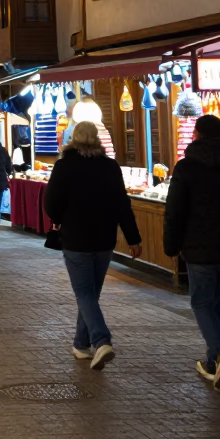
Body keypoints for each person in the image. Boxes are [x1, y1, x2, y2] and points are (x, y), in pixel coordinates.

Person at [44, 121, 142, 371]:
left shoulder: (64, 166)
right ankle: (80, 343)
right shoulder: (110, 167)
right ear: (96, 139)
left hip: (76, 239)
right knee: (91, 294)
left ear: (73, 139)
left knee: (85, 294)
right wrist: (133, 238)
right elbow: (123, 204)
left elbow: (51, 203)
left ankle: (101, 340)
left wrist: (59, 219)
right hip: (104, 239)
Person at [164, 113, 220, 387]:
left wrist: (171, 244)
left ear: (198, 134)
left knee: (202, 302)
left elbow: (175, 210)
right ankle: (217, 360)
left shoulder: (187, 167)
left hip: (199, 247)